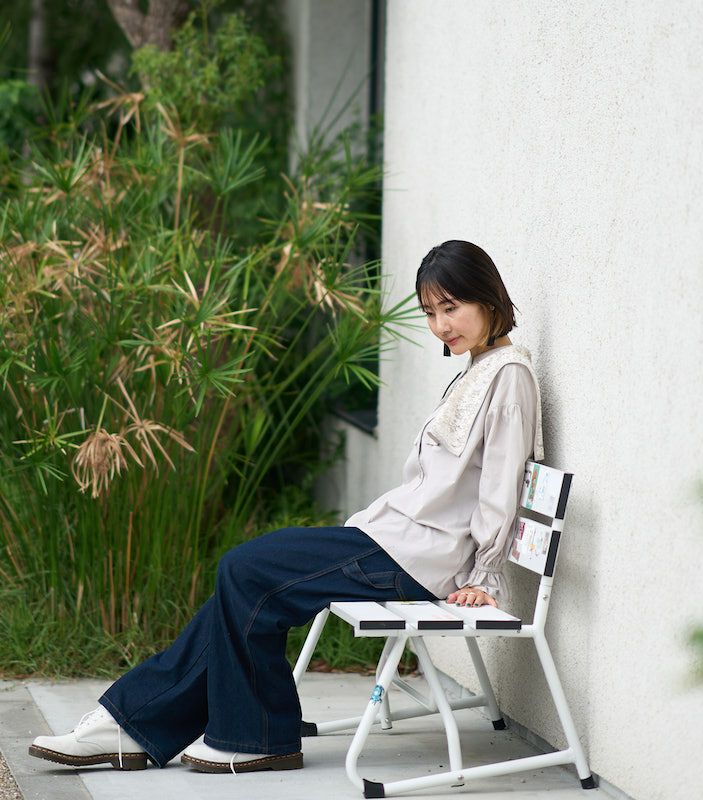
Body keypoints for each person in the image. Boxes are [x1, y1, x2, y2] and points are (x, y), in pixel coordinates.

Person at [28, 239, 544, 775]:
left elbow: (500, 486)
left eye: (451, 308)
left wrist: (485, 576)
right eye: (430, 313)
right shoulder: (480, 368)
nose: (440, 326)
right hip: (393, 541)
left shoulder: (508, 375)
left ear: (488, 297)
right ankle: (131, 725)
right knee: (243, 582)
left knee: (245, 570)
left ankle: (246, 737)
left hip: (417, 559)